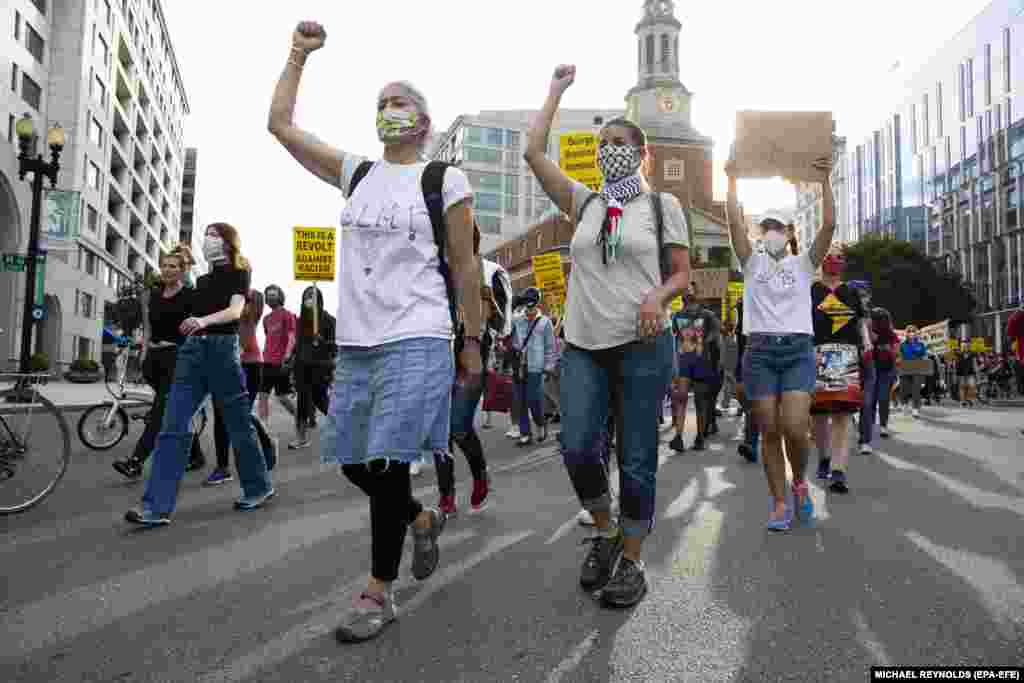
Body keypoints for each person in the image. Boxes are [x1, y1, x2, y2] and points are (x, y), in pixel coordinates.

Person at [267, 20, 482, 642]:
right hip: (357, 342)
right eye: (382, 102)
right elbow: (281, 127)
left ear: (423, 121)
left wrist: (470, 341)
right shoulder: (356, 173)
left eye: (401, 101)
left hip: (418, 332)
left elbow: (465, 264)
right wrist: (297, 57)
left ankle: (376, 592)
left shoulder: (443, 180)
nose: (390, 109)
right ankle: (419, 518)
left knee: (386, 461)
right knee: (354, 462)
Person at [526, 64, 689, 607]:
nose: (606, 150)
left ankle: (633, 562)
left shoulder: (664, 208)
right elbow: (533, 154)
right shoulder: (588, 204)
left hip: (643, 346)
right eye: (601, 144)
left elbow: (681, 274)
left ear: (641, 153)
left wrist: (657, 297)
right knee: (576, 446)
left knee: (638, 458)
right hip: (584, 347)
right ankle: (604, 529)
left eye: (618, 142)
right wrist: (555, 92)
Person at [125, 223, 275, 526]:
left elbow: (234, 312)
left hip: (222, 352)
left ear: (228, 241)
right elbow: (178, 313)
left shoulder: (239, 273)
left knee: (238, 425)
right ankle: (155, 508)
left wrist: (202, 321)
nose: (208, 240)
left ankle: (258, 487)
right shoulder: (201, 282)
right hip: (191, 354)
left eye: (214, 235)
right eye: (206, 235)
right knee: (172, 426)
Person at [725, 150, 835, 532]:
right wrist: (732, 179)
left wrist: (824, 181)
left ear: (789, 233)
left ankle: (800, 482)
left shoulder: (803, 264)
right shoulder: (751, 262)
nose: (771, 231)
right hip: (760, 353)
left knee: (794, 428)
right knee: (769, 432)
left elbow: (829, 227)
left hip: (796, 352)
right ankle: (777, 504)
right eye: (766, 226)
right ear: (760, 233)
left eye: (779, 226)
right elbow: (733, 224)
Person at [112, 249, 208, 479]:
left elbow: (198, 330)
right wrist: (143, 354)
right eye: (164, 265)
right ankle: (196, 455)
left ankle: (135, 462)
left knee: (159, 412)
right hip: (153, 359)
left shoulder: (191, 296)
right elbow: (148, 327)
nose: (167, 269)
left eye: (173, 266)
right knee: (173, 411)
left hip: (178, 357)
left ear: (183, 270)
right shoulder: (150, 294)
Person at [434, 222, 500, 517]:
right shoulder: (434, 273)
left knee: (459, 427)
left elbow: (488, 317)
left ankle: (480, 473)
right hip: (435, 355)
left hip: (469, 356)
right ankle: (446, 494)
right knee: (439, 431)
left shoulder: (481, 272)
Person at [809, 250, 869, 494]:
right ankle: (824, 456)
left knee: (842, 414)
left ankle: (838, 470)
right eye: (829, 255)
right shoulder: (810, 290)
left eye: (838, 256)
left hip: (846, 355)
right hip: (815, 355)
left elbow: (861, 321)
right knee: (819, 415)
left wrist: (866, 343)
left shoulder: (852, 292)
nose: (833, 260)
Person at [669, 283, 720, 453]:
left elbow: (715, 333)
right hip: (684, 362)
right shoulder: (677, 316)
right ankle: (678, 437)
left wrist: (705, 340)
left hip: (702, 362)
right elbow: (676, 339)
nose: (687, 291)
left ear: (696, 294)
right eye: (685, 289)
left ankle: (700, 436)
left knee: (700, 401)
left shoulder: (707, 315)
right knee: (681, 397)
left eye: (690, 289)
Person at [509, 287, 557, 446]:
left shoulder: (545, 322)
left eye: (532, 306)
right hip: (519, 366)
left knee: (533, 400)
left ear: (537, 304)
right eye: (527, 306)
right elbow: (506, 332)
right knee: (520, 400)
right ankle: (525, 434)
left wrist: (549, 366)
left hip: (536, 367)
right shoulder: (516, 319)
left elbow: (550, 346)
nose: (529, 310)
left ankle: (541, 423)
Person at [290, 286, 337, 449]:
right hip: (302, 367)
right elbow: (299, 343)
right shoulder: (300, 320)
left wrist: (323, 341)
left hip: (320, 367)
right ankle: (301, 438)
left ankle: (343, 427)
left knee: (321, 400)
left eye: (312, 296)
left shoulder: (329, 320)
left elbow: (336, 346)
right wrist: (290, 357)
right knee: (302, 401)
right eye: (306, 296)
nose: (309, 299)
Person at [258, 284, 298, 422]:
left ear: (280, 296)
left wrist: (287, 356)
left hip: (281, 363)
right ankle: (264, 431)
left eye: (273, 294)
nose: (270, 297)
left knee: (282, 397)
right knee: (263, 396)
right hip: (266, 362)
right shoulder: (266, 319)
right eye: (268, 295)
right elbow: (269, 338)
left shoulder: (288, 315)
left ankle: (300, 418)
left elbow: (292, 337)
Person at [899, 326, 929, 417]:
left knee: (916, 390)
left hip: (917, 368)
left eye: (913, 331)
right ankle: (904, 404)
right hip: (906, 368)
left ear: (916, 333)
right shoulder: (903, 345)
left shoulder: (921, 345)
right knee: (905, 389)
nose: (911, 333)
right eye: (909, 331)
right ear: (906, 333)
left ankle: (915, 409)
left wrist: (924, 373)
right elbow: (899, 357)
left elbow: (924, 357)